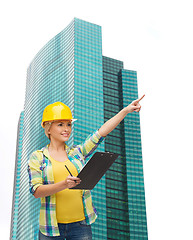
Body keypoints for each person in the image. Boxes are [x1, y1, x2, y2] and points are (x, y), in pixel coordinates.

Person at [28, 94, 145, 240]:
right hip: (51, 228)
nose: (66, 129)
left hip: (80, 226)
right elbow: (36, 191)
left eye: (69, 124)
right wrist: (64, 184)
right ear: (48, 128)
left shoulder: (77, 152)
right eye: (60, 124)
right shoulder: (38, 157)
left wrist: (125, 110)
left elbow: (101, 133)